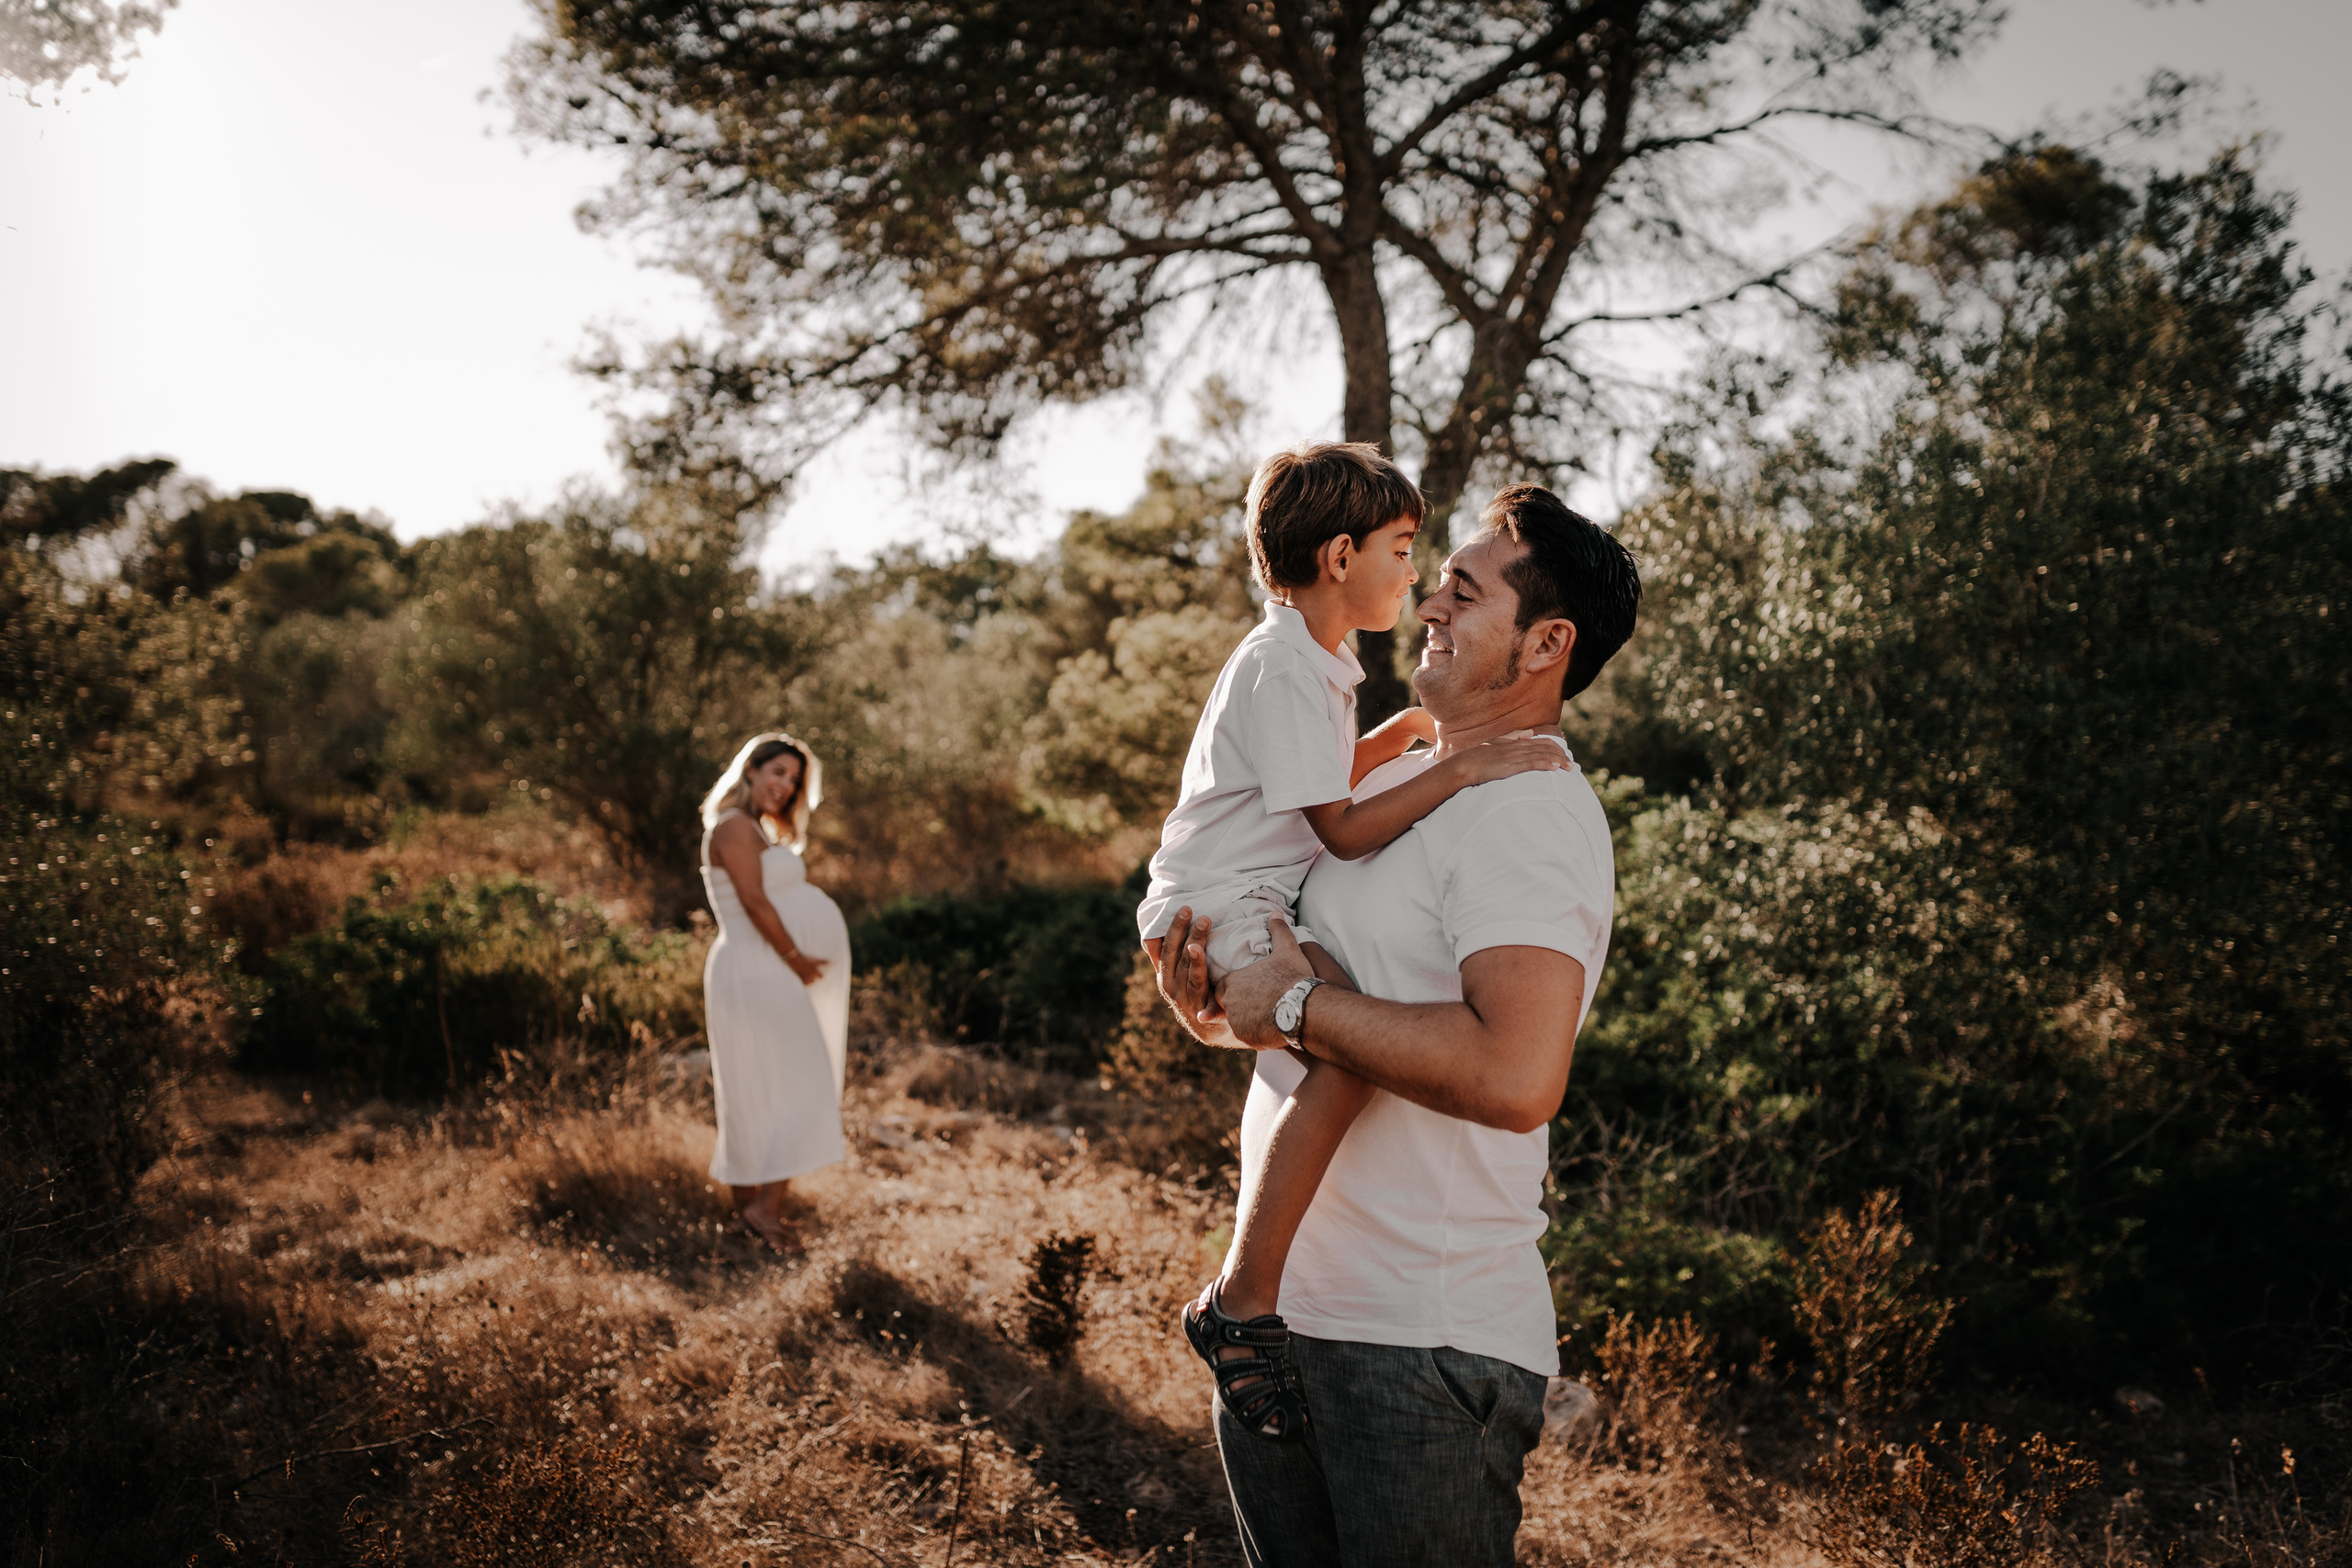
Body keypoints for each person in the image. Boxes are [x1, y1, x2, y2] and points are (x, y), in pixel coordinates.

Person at [1154, 484, 1641, 1567]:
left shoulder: (1526, 806)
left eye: (1461, 593)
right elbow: (1313, 1003)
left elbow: (1516, 1078)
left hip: (1417, 1346)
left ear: (1544, 643)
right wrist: (1225, 1016)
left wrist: (1288, 1005)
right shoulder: (1414, 781)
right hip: (1286, 1335)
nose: (1427, 602)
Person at [698, 732, 851, 1253]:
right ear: (751, 771)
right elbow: (754, 903)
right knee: (797, 1081)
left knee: (759, 1086)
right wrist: (798, 960)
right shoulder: (734, 826)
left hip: (761, 968)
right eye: (779, 773)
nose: (786, 786)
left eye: (794, 780)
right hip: (755, 967)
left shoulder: (756, 830)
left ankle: (749, 1215)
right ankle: (764, 1209)